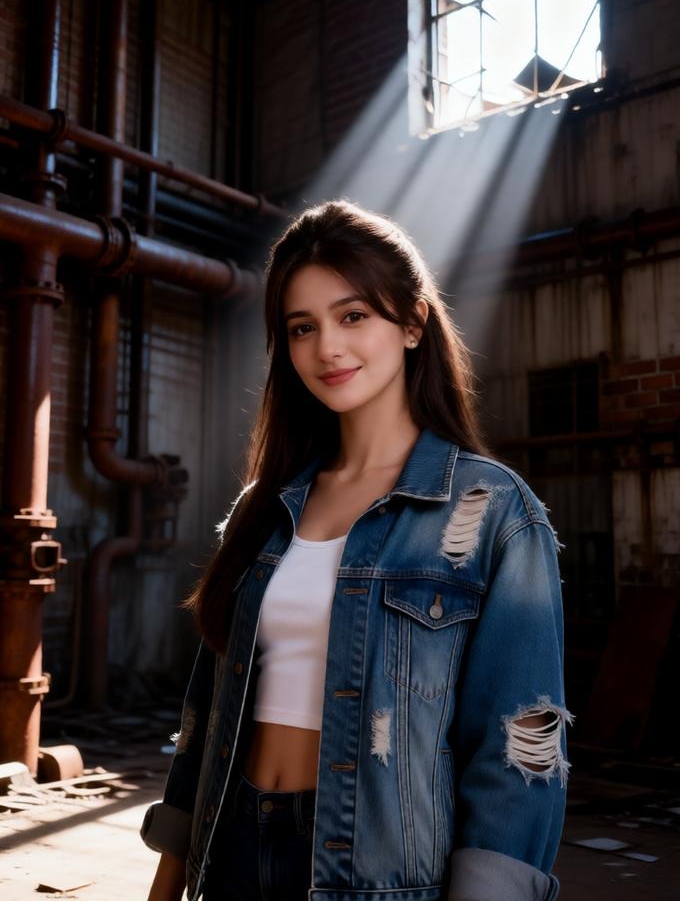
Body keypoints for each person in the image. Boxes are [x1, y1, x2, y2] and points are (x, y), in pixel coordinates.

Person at [141, 199, 571, 901]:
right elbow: (210, 712)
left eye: (353, 316)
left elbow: (518, 752)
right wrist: (169, 878)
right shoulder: (264, 507)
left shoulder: (491, 513)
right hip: (233, 851)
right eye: (301, 328)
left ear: (412, 322)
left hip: (379, 875)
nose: (327, 350)